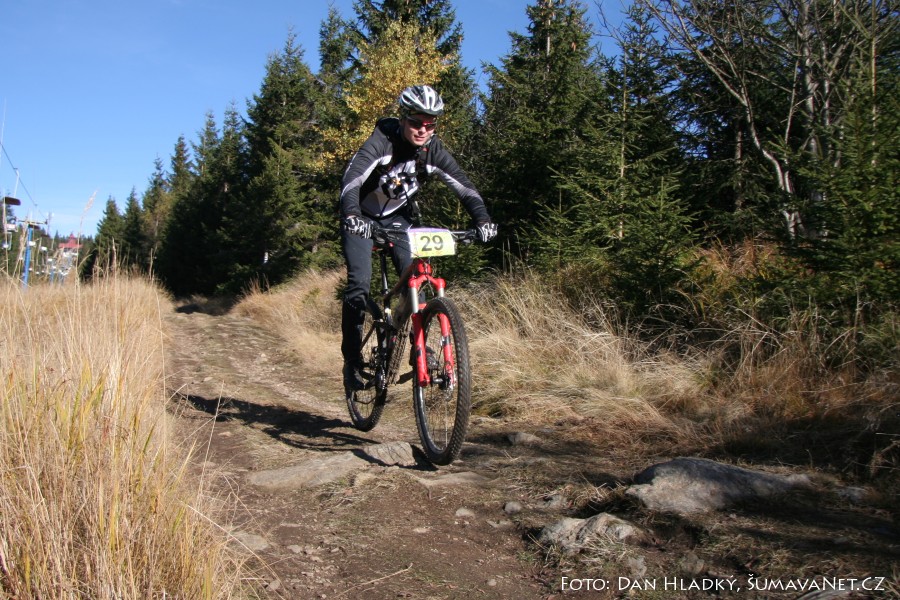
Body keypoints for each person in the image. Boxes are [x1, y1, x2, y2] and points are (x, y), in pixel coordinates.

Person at [339, 84, 497, 393]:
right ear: (403, 119)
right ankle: (352, 361)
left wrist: (483, 220)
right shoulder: (382, 141)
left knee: (416, 277)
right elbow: (351, 180)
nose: (423, 130)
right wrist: (352, 216)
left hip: (398, 219)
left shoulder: (433, 151)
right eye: (416, 122)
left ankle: (420, 347)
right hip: (360, 217)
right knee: (359, 283)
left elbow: (465, 187)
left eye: (430, 124)